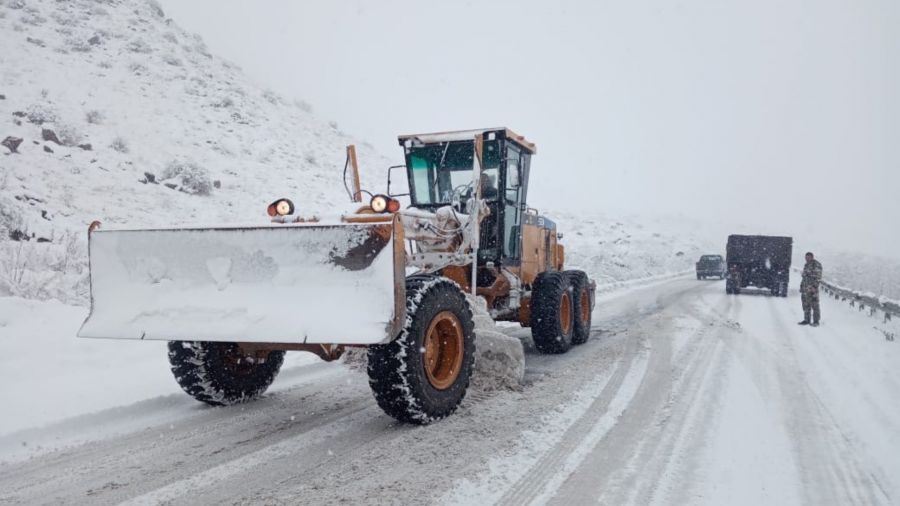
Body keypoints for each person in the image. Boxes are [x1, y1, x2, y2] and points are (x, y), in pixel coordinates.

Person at [799, 252, 823, 326]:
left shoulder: (816, 265)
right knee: (806, 304)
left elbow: (818, 277)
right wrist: (801, 286)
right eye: (806, 257)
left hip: (812, 289)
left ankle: (816, 321)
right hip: (805, 288)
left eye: (808, 257)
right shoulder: (806, 265)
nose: (807, 259)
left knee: (814, 304)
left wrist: (815, 287)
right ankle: (807, 319)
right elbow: (804, 277)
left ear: (812, 257)